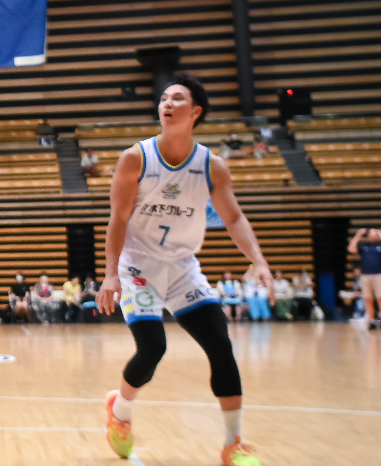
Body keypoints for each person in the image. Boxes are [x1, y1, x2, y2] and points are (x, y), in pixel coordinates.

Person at [101, 75, 272, 466]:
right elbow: (117, 218)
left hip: (182, 267)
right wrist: (111, 273)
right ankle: (120, 412)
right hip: (137, 265)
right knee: (153, 348)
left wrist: (259, 261)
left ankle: (234, 444)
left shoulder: (212, 166)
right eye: (164, 98)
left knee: (220, 344)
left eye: (177, 98)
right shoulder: (135, 158)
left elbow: (234, 218)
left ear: (195, 111)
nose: (167, 103)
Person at [346, 228, 380, 329]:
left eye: (375, 232)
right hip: (365, 276)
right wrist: (358, 235)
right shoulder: (363, 246)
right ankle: (371, 321)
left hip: (378, 275)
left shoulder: (379, 245)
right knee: (368, 299)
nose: (373, 234)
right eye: (371, 233)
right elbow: (351, 249)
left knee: (380, 298)